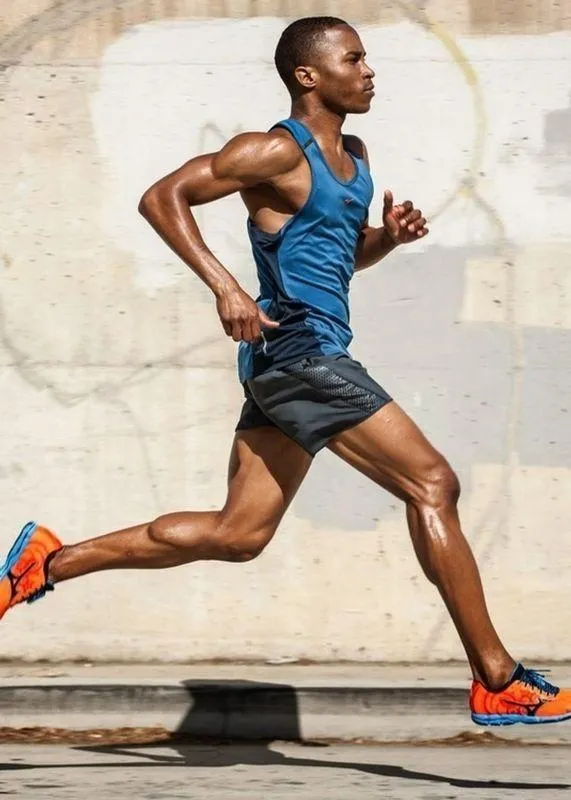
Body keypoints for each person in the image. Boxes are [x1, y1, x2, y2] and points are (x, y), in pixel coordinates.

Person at [1, 16, 569, 727]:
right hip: (301, 353)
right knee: (432, 483)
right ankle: (497, 677)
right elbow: (160, 197)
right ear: (308, 74)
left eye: (367, 60)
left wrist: (386, 240)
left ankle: (48, 562)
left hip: (289, 358)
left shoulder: (355, 157)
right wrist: (225, 287)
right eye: (353, 58)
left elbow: (335, 257)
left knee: (238, 534)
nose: (368, 71)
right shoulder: (272, 150)